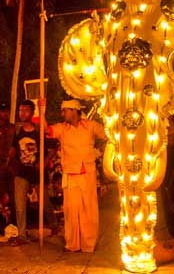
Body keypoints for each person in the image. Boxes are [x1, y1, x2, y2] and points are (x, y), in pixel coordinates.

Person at [49, 100, 106, 252]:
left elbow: (108, 135)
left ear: (74, 111)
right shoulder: (62, 128)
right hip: (70, 173)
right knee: (71, 209)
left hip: (88, 171)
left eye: (65, 111)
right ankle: (72, 244)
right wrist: (41, 111)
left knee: (89, 208)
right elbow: (45, 131)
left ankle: (89, 244)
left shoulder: (91, 125)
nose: (62, 114)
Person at [10, 100, 43, 241]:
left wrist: (43, 164)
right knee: (20, 205)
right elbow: (13, 149)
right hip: (21, 172)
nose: (22, 113)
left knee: (44, 202)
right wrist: (10, 160)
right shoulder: (16, 130)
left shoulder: (38, 131)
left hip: (36, 172)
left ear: (32, 112)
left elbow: (49, 149)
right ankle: (22, 234)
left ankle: (54, 224)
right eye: (20, 110)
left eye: (26, 110)